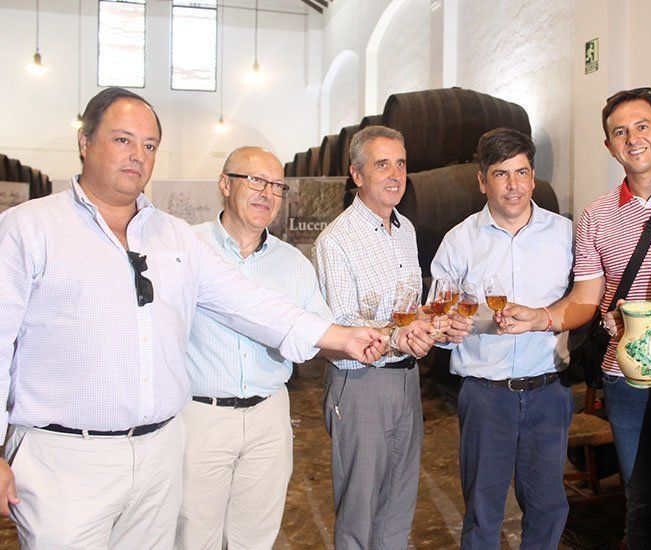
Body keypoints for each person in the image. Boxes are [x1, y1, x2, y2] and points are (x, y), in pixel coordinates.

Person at [0, 87, 384, 549]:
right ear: (85, 142)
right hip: (66, 459)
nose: (137, 156)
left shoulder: (174, 236)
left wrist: (341, 336)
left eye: (149, 145)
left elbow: (247, 302)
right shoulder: (29, 229)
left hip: (158, 455)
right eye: (123, 140)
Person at [497, 87, 651, 548]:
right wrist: (540, 318)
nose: (632, 138)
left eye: (642, 127)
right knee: (640, 498)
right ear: (609, 145)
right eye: (620, 132)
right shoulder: (596, 216)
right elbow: (586, 297)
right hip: (626, 374)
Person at [175, 147, 333, 548]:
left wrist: (383, 337)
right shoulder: (186, 248)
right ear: (225, 184)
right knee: (194, 534)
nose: (267, 193)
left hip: (269, 415)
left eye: (277, 185)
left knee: (256, 537)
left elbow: (319, 334)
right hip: (201, 415)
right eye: (256, 181)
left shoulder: (293, 263)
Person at [432, 128, 575, 549]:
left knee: (548, 508)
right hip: (485, 395)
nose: (513, 186)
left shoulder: (566, 234)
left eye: (521, 172)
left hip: (549, 391)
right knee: (482, 512)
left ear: (533, 176)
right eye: (500, 174)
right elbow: (437, 316)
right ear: (482, 181)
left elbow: (583, 299)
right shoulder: (459, 241)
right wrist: (447, 330)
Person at [312, 125, 441, 549]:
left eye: (400, 164)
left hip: (406, 380)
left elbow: (409, 308)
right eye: (381, 164)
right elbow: (343, 324)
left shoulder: (406, 231)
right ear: (357, 174)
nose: (394, 175)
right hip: (361, 384)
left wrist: (432, 326)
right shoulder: (336, 239)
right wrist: (398, 337)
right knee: (359, 509)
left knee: (398, 502)